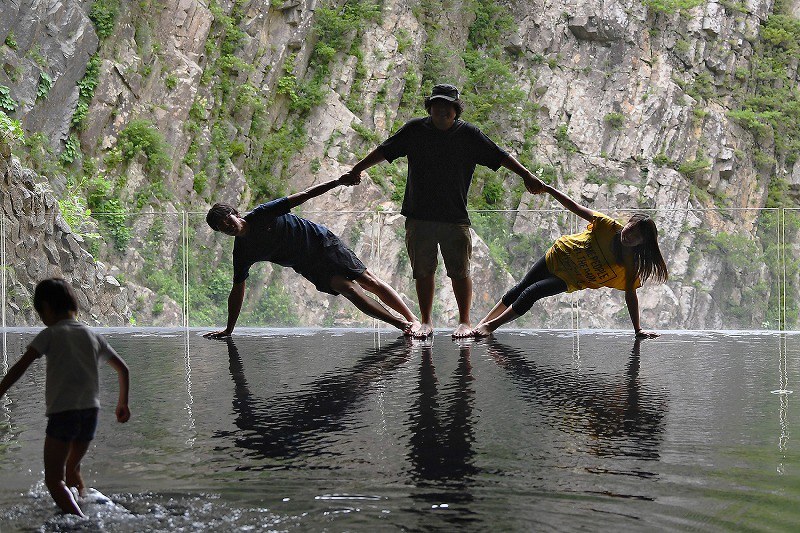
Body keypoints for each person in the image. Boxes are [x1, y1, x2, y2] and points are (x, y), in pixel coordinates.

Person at [342, 83, 545, 338]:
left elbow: (500, 156)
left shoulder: (469, 135)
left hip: (454, 216)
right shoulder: (415, 130)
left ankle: (464, 321)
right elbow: (385, 150)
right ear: (430, 108)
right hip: (419, 215)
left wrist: (527, 176)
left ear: (455, 110)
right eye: (437, 106)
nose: (442, 111)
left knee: (459, 272)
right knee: (423, 271)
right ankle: (426, 321)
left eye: (447, 107)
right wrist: (357, 168)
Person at [203, 175, 422, 338]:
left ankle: (412, 319)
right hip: (308, 264)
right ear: (221, 232)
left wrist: (338, 182)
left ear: (236, 213)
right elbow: (237, 289)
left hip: (322, 243)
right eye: (222, 227)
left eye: (227, 219)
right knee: (351, 290)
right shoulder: (242, 251)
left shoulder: (262, 213)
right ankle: (402, 325)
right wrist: (229, 329)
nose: (228, 226)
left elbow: (305, 195)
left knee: (368, 281)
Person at [0, 278, 131, 517]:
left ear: (47, 308)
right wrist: (123, 404)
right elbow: (123, 369)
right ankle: (86, 505)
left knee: (54, 480)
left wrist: (0, 390)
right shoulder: (92, 336)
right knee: (72, 469)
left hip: (63, 415)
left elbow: (20, 367)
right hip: (91, 414)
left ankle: (80, 520)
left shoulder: (50, 334)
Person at [472, 183, 668, 338]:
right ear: (628, 223)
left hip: (570, 278)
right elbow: (574, 206)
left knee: (533, 292)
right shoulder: (606, 225)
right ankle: (483, 324)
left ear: (641, 243)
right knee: (521, 287)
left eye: (636, 237)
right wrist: (548, 189)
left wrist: (637, 329)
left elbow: (630, 295)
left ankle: (491, 326)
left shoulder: (630, 264)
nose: (630, 235)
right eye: (631, 228)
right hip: (558, 254)